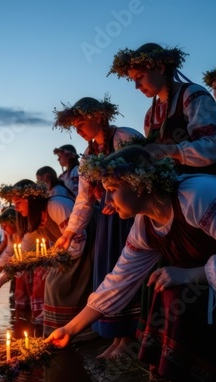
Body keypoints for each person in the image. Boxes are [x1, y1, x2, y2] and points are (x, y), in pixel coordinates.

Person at [46, 145, 216, 382]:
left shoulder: (198, 198)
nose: (106, 200)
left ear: (139, 185)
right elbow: (119, 281)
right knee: (167, 287)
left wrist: (191, 274)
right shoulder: (145, 225)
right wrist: (69, 329)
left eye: (112, 189)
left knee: (177, 289)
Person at [53, 96, 143, 359]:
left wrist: (120, 201)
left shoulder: (125, 137)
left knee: (126, 269)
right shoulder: (89, 155)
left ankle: (130, 338)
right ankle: (117, 337)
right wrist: (71, 231)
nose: (78, 130)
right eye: (75, 126)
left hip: (129, 215)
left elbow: (145, 172)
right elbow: (83, 197)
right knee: (107, 272)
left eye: (80, 123)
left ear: (98, 117)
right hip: (106, 219)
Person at [0, 180, 97, 337]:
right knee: (52, 282)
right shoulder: (37, 221)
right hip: (66, 254)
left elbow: (78, 243)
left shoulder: (56, 206)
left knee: (56, 284)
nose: (16, 208)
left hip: (89, 246)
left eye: (18, 202)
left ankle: (76, 330)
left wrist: (52, 260)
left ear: (31, 199)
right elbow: (22, 257)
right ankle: (57, 333)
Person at [108, 43, 216, 177]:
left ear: (160, 68)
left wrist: (168, 150)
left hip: (205, 183)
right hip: (172, 187)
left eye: (140, 77)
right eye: (133, 80)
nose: (136, 86)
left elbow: (213, 146)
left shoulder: (192, 95)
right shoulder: (150, 114)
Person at [0, 207, 42, 316]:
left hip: (36, 270)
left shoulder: (29, 233)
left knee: (35, 299)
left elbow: (17, 258)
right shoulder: (12, 235)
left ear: (14, 222)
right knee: (22, 307)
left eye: (5, 225)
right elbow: (6, 256)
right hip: (21, 270)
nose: (4, 229)